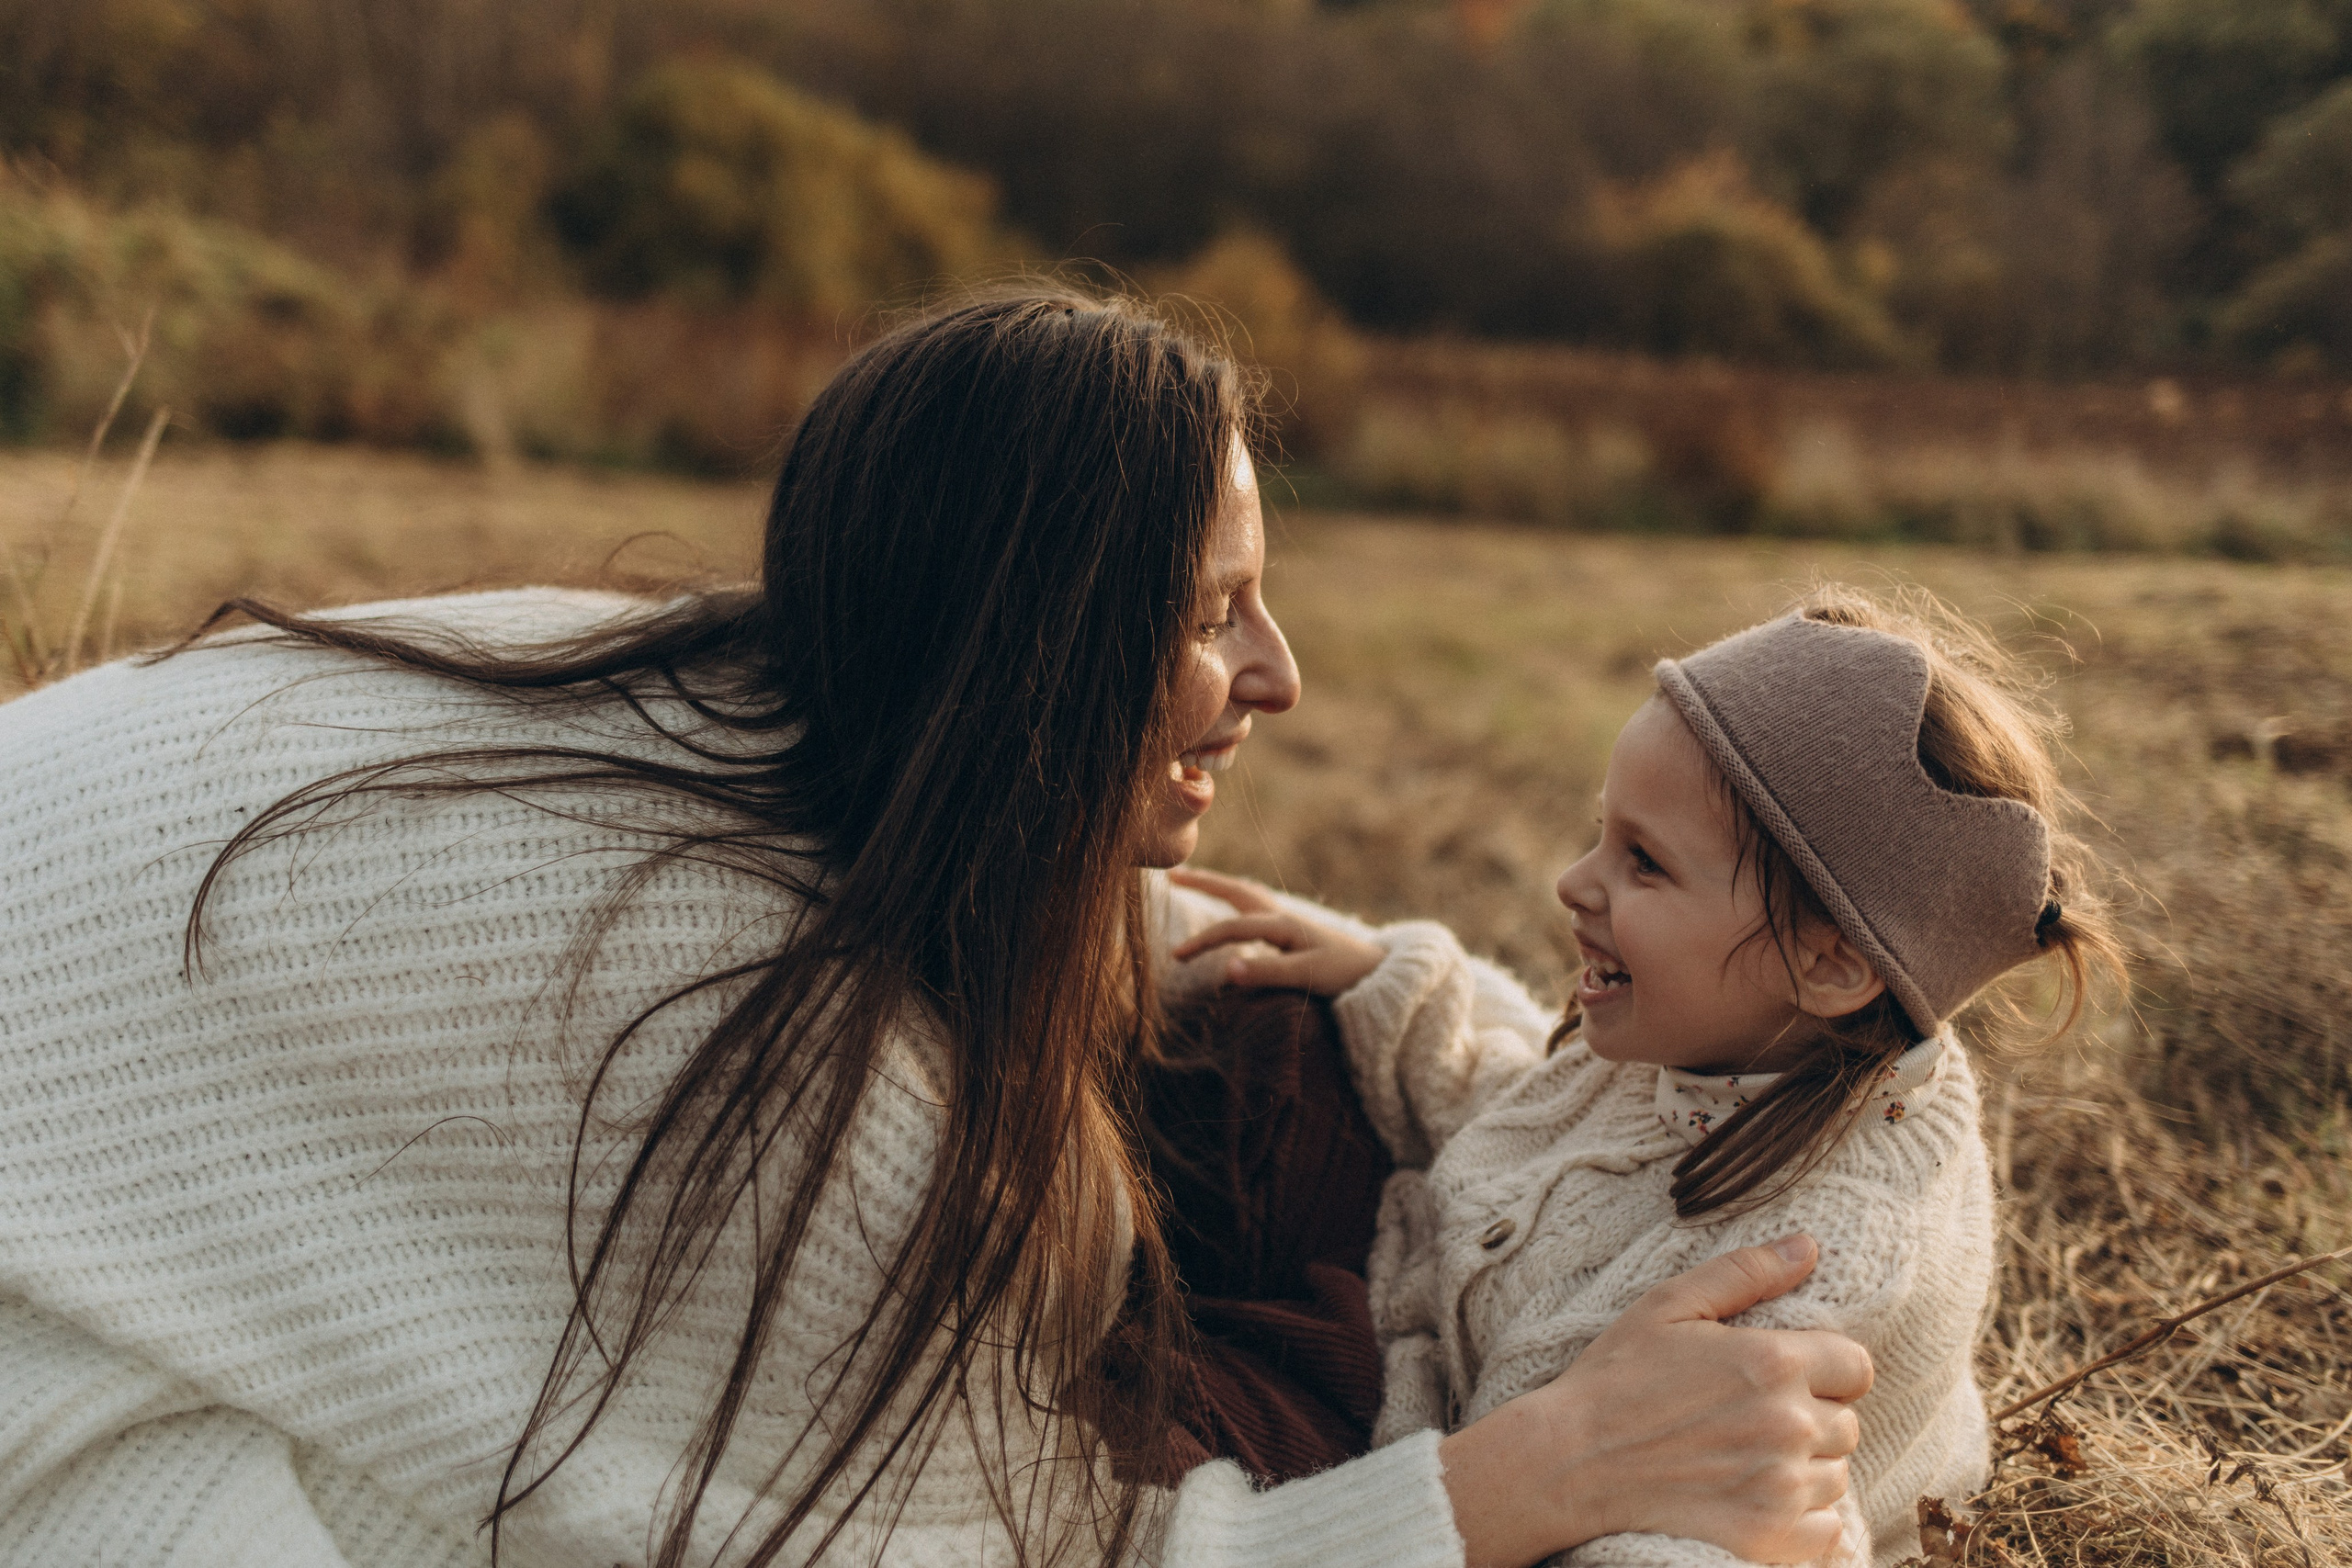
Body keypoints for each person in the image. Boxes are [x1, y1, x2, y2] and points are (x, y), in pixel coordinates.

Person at [0, 293, 1869, 1568]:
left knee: (1260, 1048)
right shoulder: (785, 1057)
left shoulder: (670, 673)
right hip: (51, 1354)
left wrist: (1356, 980)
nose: (1277, 675)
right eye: (1211, 612)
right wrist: (1523, 1475)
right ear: (1035, 663)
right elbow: (1000, 1543)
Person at [1170, 586, 2124, 1566]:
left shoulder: (1815, 1267)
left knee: (1162, 1413)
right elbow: (1529, 1135)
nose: (1573, 883)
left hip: (1458, 1480)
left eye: (1644, 863)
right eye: (1601, 832)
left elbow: (1689, 1520)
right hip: (1419, 1360)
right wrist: (1394, 984)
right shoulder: (1735, 1038)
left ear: (1831, 962)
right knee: (1260, 1053)